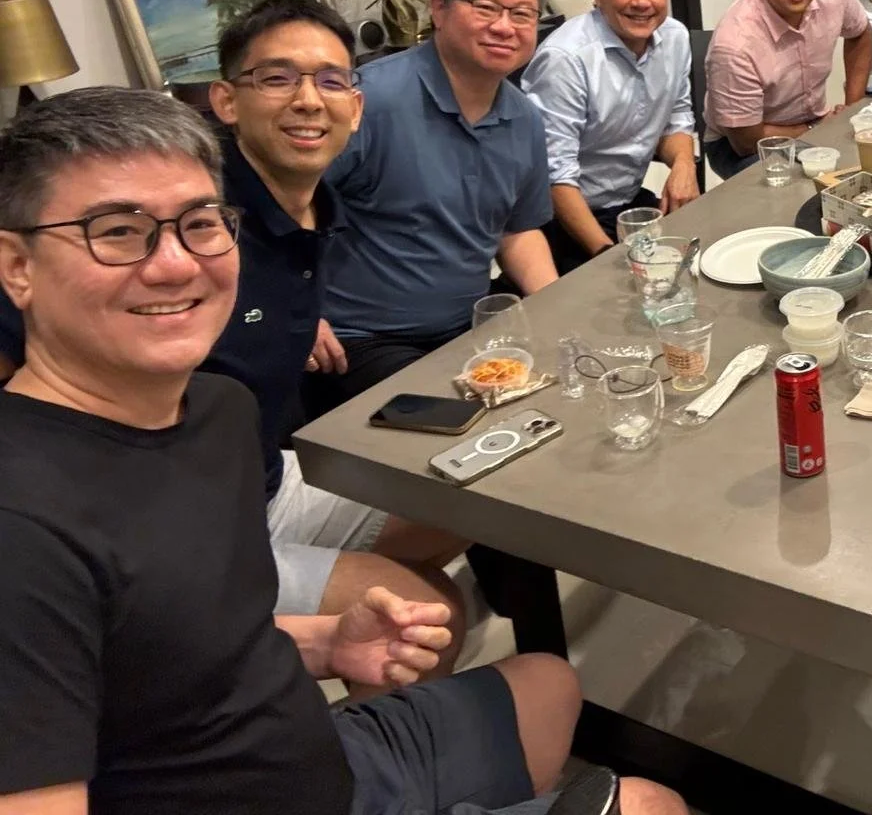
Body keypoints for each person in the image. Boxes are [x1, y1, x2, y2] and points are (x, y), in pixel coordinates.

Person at [0, 88, 685, 815]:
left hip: (320, 757)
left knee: (551, 683)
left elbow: (189, 640)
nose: (174, 265)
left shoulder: (217, 412)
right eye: (117, 231)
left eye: (200, 224)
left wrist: (326, 644)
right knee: (650, 803)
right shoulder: (24, 533)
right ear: (17, 266)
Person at [0, 3, 465, 637]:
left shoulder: (304, 211)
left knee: (473, 509)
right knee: (422, 613)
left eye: (330, 81)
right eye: (277, 78)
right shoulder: (200, 210)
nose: (307, 100)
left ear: (356, 108)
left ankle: (269, 651)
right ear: (225, 100)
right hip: (163, 532)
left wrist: (305, 317)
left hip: (260, 480)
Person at [307, 0, 558, 412]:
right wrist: (294, 314)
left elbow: (518, 229)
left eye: (522, 14)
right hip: (361, 340)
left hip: (466, 327)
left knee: (563, 391)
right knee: (454, 424)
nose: (505, 27)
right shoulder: (369, 102)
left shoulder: (524, 119)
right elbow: (277, 207)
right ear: (438, 8)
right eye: (485, 7)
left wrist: (559, 310)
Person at [524, 0, 697, 274]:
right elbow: (554, 176)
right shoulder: (566, 59)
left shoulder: (674, 38)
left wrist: (684, 164)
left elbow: (676, 115)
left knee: (697, 262)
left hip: (629, 204)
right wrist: (608, 254)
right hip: (566, 219)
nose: (642, 1)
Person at [703, 0, 872, 178]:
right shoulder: (735, 45)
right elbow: (745, 142)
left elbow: (860, 33)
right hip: (740, 145)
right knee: (808, 186)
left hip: (813, 123)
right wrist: (815, 131)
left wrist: (852, 105)